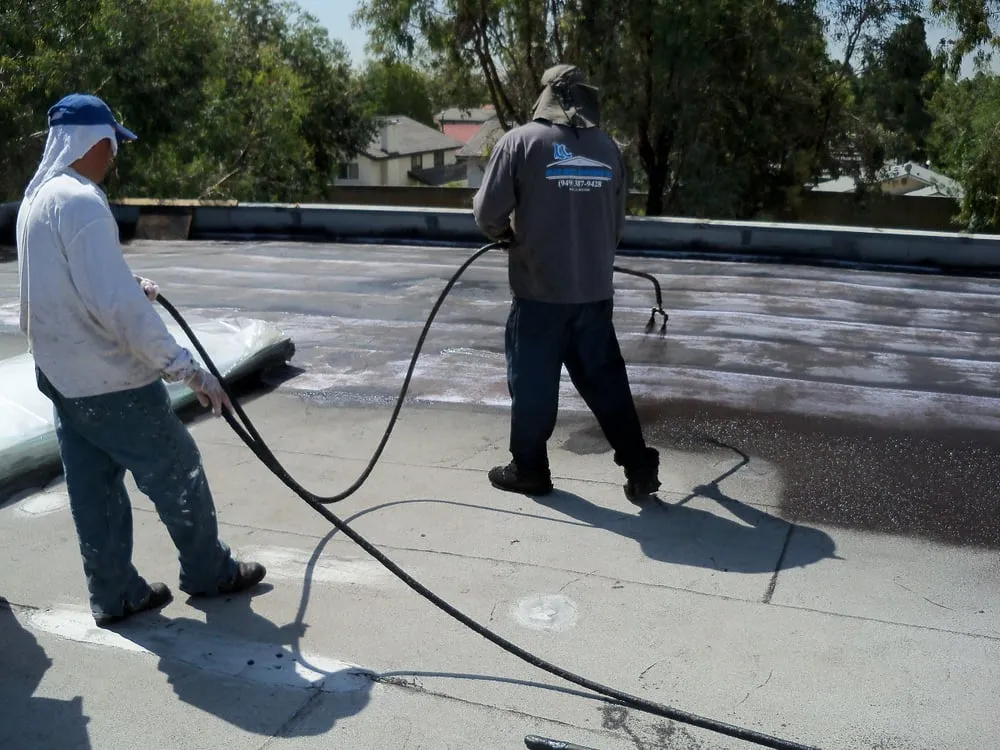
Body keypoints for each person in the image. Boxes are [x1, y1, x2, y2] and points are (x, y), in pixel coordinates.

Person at [16, 93, 266, 627]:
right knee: (178, 470)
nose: (114, 155)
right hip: (111, 382)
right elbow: (116, 309)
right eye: (112, 144)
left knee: (95, 489)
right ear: (93, 141)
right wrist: (185, 367)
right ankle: (208, 571)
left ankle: (114, 593)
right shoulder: (81, 201)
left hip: (63, 378)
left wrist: (127, 285)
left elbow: (70, 284)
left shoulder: (37, 201)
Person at [473, 64, 661, 503]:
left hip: (540, 293)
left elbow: (487, 215)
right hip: (593, 293)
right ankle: (638, 463)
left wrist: (506, 235)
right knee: (607, 382)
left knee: (533, 383)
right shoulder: (608, 149)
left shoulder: (519, 142)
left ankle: (530, 468)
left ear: (546, 97)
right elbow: (616, 228)